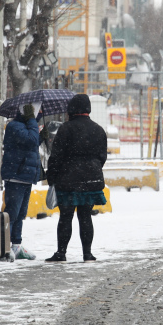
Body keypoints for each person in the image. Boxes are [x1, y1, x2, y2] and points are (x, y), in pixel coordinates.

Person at [44, 93, 107, 262]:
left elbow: (56, 156)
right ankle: (87, 253)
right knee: (85, 216)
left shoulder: (65, 129)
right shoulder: (98, 129)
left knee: (66, 217)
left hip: (68, 181)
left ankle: (61, 252)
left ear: (72, 109)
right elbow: (102, 157)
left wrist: (52, 176)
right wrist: (92, 169)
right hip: (91, 180)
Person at [0, 103, 43, 260]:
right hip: (16, 174)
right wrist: (32, 122)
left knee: (21, 214)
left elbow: (29, 145)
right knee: (12, 212)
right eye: (37, 111)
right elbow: (30, 141)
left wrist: (41, 136)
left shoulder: (25, 126)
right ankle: (4, 247)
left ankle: (16, 245)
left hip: (25, 175)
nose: (39, 113)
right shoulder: (14, 126)